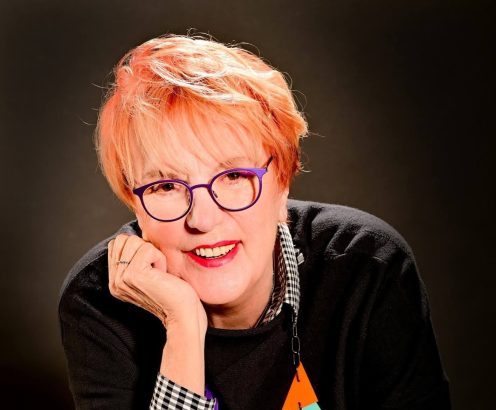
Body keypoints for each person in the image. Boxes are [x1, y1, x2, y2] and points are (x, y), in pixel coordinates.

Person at [59, 34, 451, 410]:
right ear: (135, 203)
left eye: (233, 176)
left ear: (283, 182)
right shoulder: (98, 304)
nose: (203, 219)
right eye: (166, 186)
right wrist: (183, 327)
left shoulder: (367, 269)